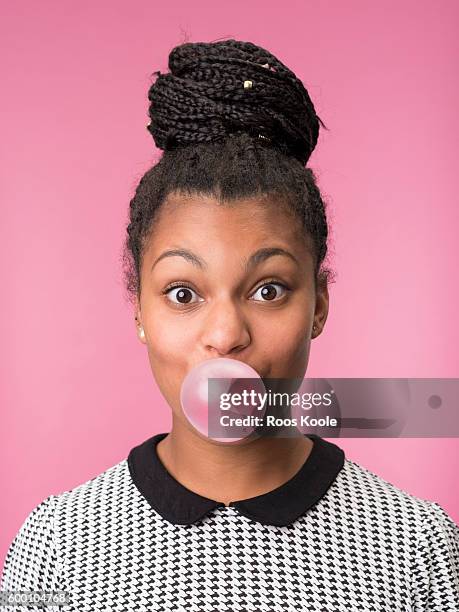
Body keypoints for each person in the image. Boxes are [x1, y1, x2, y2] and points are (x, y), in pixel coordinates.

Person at [1, 39, 458, 612]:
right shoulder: (55, 549)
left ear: (318, 305)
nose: (225, 334)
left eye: (269, 290)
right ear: (139, 311)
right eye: (183, 293)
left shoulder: (420, 550)